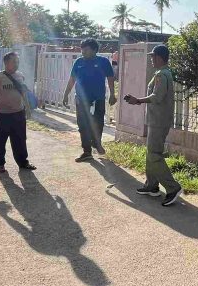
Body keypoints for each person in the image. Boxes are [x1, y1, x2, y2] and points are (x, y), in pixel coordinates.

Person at [125, 44, 182, 207]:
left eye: (152, 56)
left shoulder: (161, 75)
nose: (151, 59)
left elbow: (156, 97)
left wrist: (138, 100)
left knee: (154, 155)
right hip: (157, 119)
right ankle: (152, 186)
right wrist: (138, 101)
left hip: (158, 121)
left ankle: (173, 187)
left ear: (159, 57)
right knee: (151, 153)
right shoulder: (162, 73)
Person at [0, 52, 36, 174]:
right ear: (6, 63)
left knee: (20, 140)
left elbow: (23, 93)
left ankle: (23, 162)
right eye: (14, 62)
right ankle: (0, 164)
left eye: (18, 62)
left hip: (18, 113)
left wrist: (27, 108)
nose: (16, 64)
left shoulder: (20, 76)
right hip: (2, 115)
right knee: (0, 140)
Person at [62, 39, 116, 162]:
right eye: (82, 50)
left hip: (98, 98)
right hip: (81, 99)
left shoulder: (103, 62)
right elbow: (72, 79)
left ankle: (97, 143)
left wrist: (113, 94)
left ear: (95, 50)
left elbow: (110, 78)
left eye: (86, 50)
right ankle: (87, 151)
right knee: (83, 125)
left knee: (98, 123)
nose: (83, 52)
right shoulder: (79, 62)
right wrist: (66, 94)